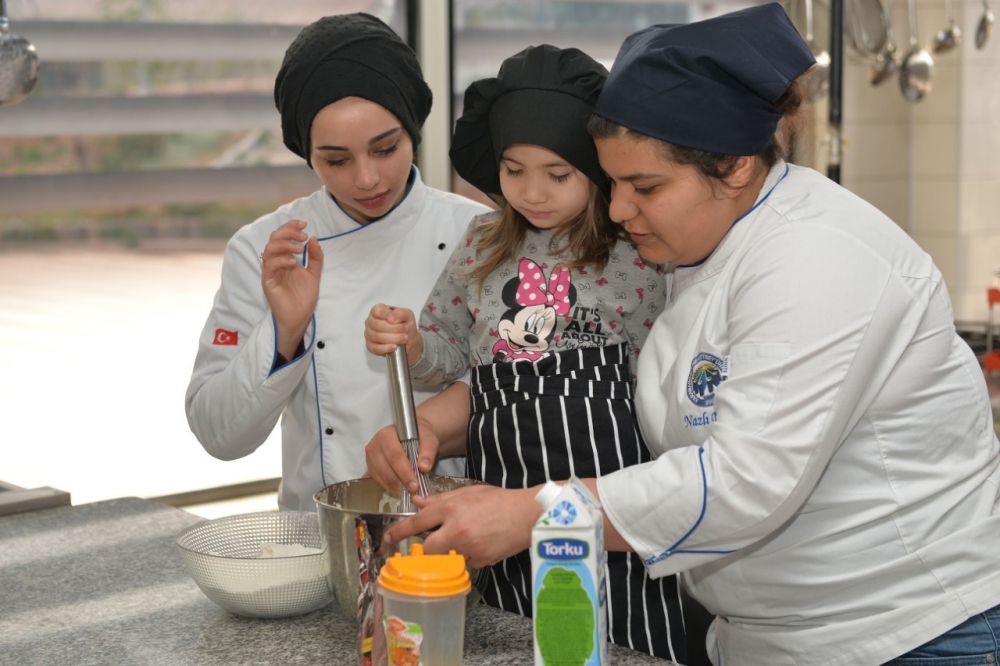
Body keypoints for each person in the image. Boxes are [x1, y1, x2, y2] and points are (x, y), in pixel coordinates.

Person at [373, 5, 1000, 665]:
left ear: (733, 167)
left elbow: (744, 481)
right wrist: (441, 426)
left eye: (644, 186)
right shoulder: (687, 248)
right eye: (612, 183)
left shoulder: (816, 256)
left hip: (907, 634)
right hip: (763, 636)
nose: (616, 210)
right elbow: (561, 368)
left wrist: (531, 512)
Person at [364, 45, 685, 662]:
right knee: (511, 635)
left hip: (606, 498)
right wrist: (412, 342)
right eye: (514, 171)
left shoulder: (637, 251)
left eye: (557, 174)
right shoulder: (484, 241)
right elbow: (452, 354)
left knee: (611, 643)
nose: (532, 192)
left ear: (598, 169)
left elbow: (665, 381)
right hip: (499, 488)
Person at [184, 13, 489, 512]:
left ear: (413, 130)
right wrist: (285, 331)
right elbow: (220, 436)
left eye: (386, 148)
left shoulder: (478, 234)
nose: (367, 178)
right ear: (308, 155)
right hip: (319, 539)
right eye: (337, 160)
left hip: (452, 532)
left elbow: (518, 396)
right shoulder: (265, 247)